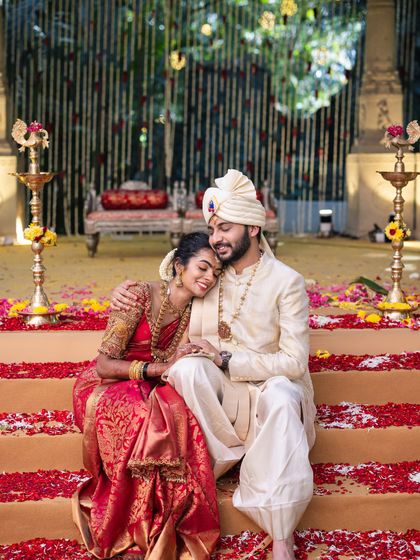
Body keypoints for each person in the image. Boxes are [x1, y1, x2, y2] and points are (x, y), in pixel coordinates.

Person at [112, 169, 316, 560]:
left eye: (225, 227)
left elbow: (293, 361)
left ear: (254, 227)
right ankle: (227, 456)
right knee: (186, 368)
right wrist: (126, 290)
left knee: (283, 391)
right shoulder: (210, 273)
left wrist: (227, 358)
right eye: (212, 229)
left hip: (269, 391)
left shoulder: (287, 281)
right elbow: (171, 279)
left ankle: (281, 533)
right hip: (222, 399)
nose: (216, 238)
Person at [72, 232, 222, 560]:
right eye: (203, 267)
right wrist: (158, 368)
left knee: (177, 418)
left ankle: (162, 524)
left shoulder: (198, 312)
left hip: (152, 388)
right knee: (144, 416)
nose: (209, 277)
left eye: (216, 272)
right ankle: (129, 530)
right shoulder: (139, 295)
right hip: (106, 386)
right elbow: (104, 364)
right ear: (179, 266)